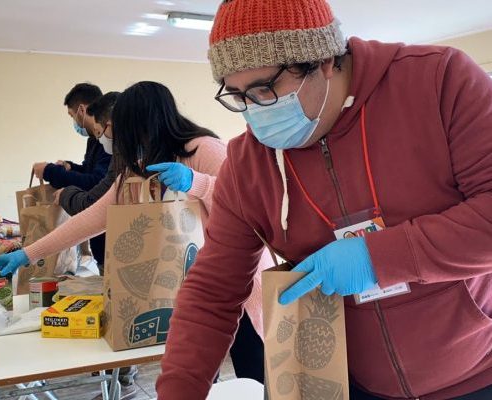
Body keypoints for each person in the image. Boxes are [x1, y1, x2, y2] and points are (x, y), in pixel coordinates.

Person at [154, 0, 492, 399]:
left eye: (265, 89)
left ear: (326, 60)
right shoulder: (248, 164)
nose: (254, 111)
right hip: (349, 383)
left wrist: (379, 257)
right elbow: (213, 291)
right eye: (238, 96)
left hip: (477, 371)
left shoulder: (437, 82)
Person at [0, 81, 271, 397]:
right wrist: (29, 253)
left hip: (239, 285)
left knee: (254, 375)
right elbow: (94, 217)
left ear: (141, 124)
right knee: (201, 378)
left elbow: (248, 204)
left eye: (118, 128)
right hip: (186, 290)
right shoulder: (138, 166)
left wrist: (197, 182)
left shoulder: (203, 149)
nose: (111, 137)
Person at [33, 83, 112, 266]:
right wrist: (70, 167)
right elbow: (91, 172)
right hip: (100, 242)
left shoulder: (108, 141)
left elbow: (96, 183)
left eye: (72, 115)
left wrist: (51, 172)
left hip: (110, 243)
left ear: (81, 110)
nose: (74, 122)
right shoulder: (95, 140)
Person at [54, 92, 121, 271]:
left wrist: (63, 191)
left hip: (115, 249)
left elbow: (93, 197)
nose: (100, 138)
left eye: (100, 132)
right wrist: (71, 167)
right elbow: (92, 174)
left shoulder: (122, 157)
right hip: (106, 247)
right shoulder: (101, 143)